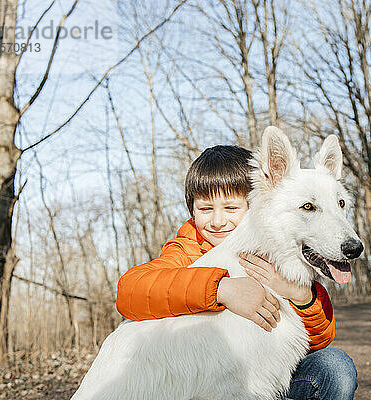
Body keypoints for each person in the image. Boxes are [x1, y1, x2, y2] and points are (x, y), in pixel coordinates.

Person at [116, 144, 358, 400]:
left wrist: (301, 296)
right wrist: (222, 288)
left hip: (258, 380)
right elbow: (131, 289)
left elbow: (318, 340)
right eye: (206, 209)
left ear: (254, 204)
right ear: (192, 211)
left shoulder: (288, 261)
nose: (218, 221)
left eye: (231, 208)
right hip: (188, 385)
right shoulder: (186, 250)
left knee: (335, 366)